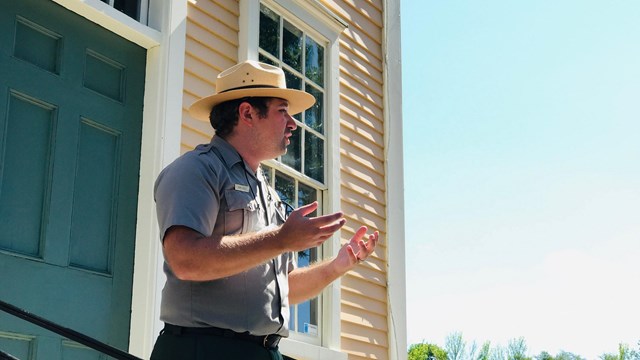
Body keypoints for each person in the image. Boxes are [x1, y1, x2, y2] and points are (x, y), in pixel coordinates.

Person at [150, 60, 378, 360]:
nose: (293, 123)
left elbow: (285, 287)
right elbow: (184, 260)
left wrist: (337, 266)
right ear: (247, 113)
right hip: (203, 349)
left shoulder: (268, 193)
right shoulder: (196, 170)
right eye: (282, 111)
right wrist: (281, 239)